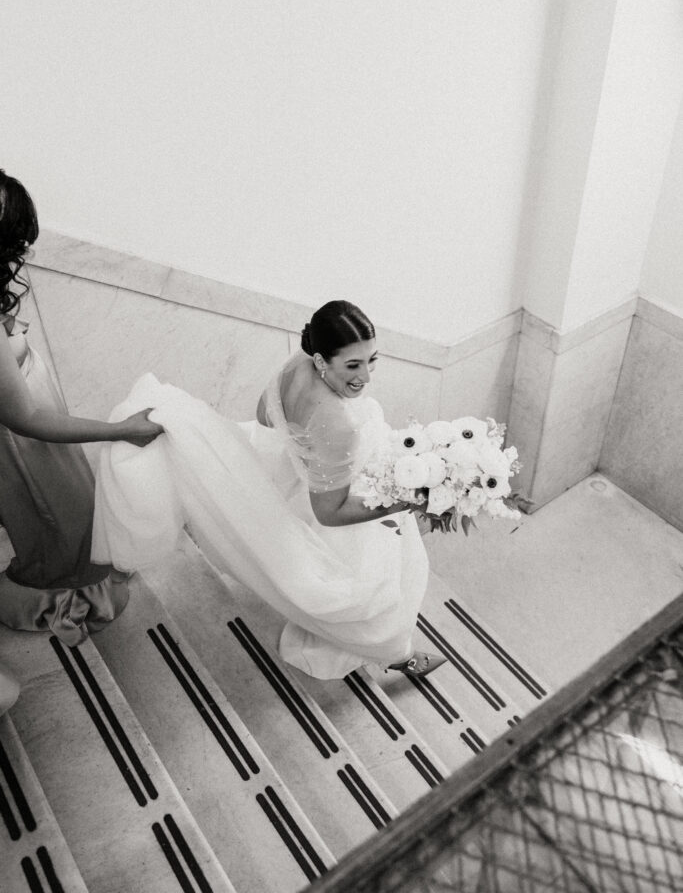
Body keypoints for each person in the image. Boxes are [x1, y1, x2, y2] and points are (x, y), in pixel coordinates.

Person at [93, 300, 445, 680]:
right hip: (328, 499)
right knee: (374, 586)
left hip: (291, 474)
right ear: (324, 360)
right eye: (354, 366)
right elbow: (330, 512)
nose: (367, 376)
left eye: (372, 360)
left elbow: (265, 414)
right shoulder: (338, 424)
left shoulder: (300, 363)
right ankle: (394, 654)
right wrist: (401, 501)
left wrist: (307, 456)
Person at [0, 169, 163, 648]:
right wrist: (119, 430)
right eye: (16, 243)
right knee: (62, 524)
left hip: (35, 437)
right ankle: (62, 600)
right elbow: (26, 419)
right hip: (26, 448)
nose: (24, 254)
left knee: (74, 518)